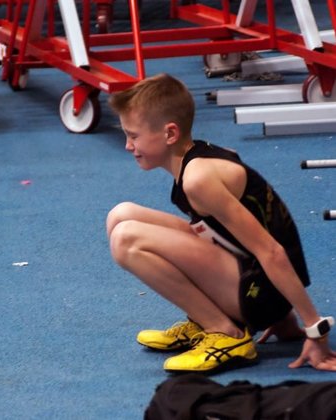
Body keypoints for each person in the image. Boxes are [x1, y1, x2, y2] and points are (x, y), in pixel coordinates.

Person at [106, 73, 336, 373]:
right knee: (121, 215)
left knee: (126, 239)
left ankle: (225, 333)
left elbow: (271, 250)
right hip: (258, 283)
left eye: (133, 136)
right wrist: (282, 321)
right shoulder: (199, 156)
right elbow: (227, 234)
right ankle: (209, 319)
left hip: (261, 291)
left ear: (170, 134)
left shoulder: (198, 180)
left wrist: (314, 328)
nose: (128, 145)